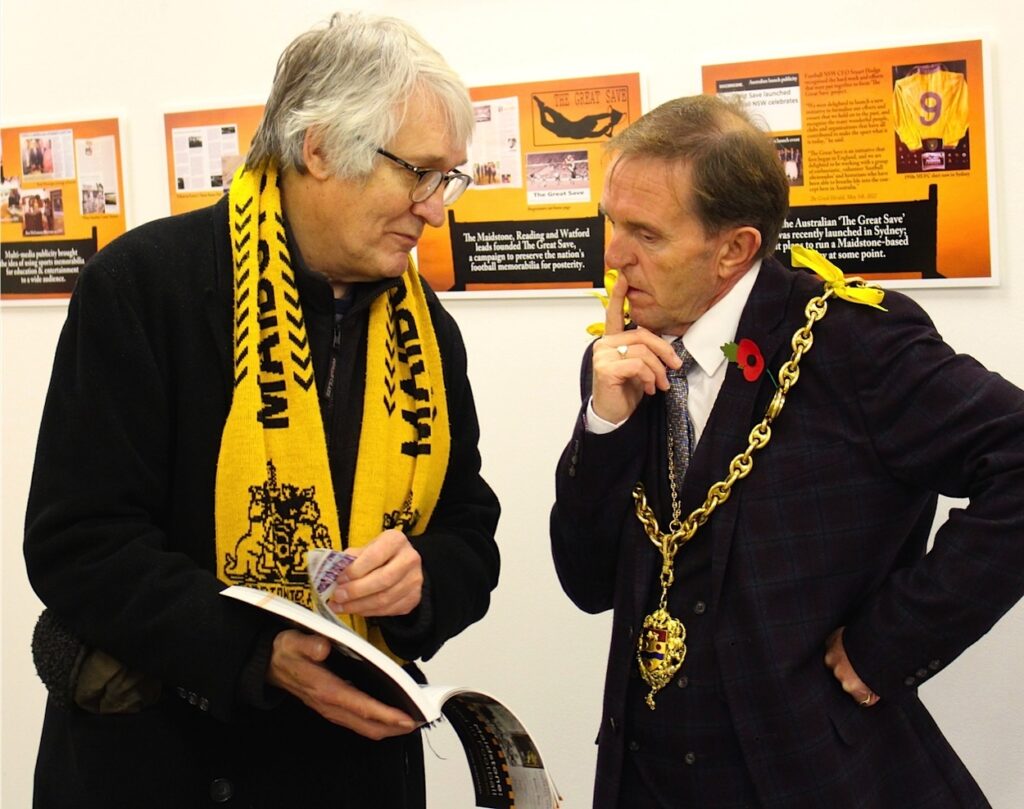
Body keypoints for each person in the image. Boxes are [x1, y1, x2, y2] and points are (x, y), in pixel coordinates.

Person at [25, 12, 500, 808]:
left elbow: (467, 530)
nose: (434, 207)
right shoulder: (146, 286)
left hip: (350, 769)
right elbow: (80, 544)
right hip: (171, 759)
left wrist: (420, 579)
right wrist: (256, 650)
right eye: (417, 172)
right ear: (317, 148)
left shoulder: (427, 328)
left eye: (448, 177)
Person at [549, 94, 1024, 808]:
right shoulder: (624, 355)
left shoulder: (854, 343)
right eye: (613, 224)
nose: (614, 256)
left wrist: (890, 641)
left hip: (808, 776)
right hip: (645, 777)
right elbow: (587, 582)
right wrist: (604, 423)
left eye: (645, 233)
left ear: (734, 249)